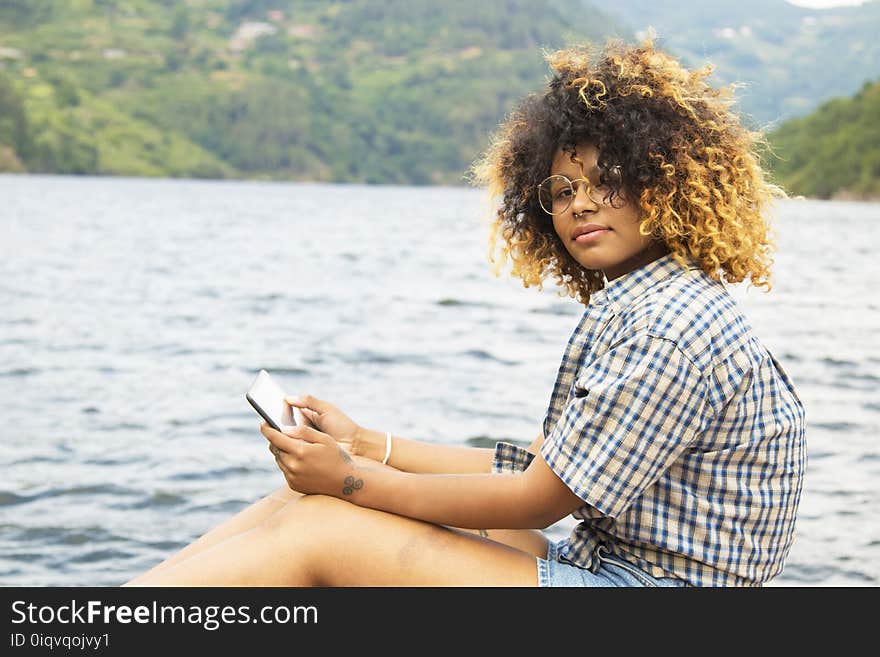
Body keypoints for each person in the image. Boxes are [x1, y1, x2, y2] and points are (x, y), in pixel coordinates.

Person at [124, 40, 806, 588]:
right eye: (562, 189)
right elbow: (541, 464)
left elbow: (541, 499)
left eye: (609, 180)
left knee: (321, 531)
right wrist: (364, 446)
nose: (581, 203)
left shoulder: (668, 324)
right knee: (309, 506)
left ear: (667, 186)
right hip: (605, 568)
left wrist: (356, 480)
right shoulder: (652, 300)